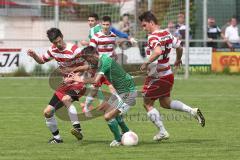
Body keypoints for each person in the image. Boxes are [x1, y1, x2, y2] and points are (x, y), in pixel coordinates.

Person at [139, 11, 205, 141]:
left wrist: (146, 63)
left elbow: (158, 51)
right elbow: (179, 47)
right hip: (168, 74)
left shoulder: (152, 37)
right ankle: (192, 110)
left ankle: (163, 131)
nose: (143, 28)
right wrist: (178, 60)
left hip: (157, 76)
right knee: (165, 103)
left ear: (151, 22)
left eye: (144, 25)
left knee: (147, 103)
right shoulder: (167, 33)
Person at [65, 46, 137, 147]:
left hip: (128, 94)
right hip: (121, 93)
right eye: (86, 60)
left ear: (94, 54)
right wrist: (73, 71)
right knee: (103, 107)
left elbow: (95, 80)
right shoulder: (98, 61)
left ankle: (118, 140)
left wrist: (79, 79)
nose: (88, 62)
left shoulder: (104, 61)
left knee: (108, 116)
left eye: (88, 59)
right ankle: (126, 131)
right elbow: (86, 67)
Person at [27, 28, 85, 143]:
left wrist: (73, 77)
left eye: (59, 41)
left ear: (62, 36)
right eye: (54, 42)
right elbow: (42, 61)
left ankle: (77, 129)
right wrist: (34, 55)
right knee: (47, 112)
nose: (58, 44)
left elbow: (86, 67)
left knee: (66, 99)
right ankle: (57, 138)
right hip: (66, 84)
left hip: (80, 82)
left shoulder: (74, 50)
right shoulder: (53, 50)